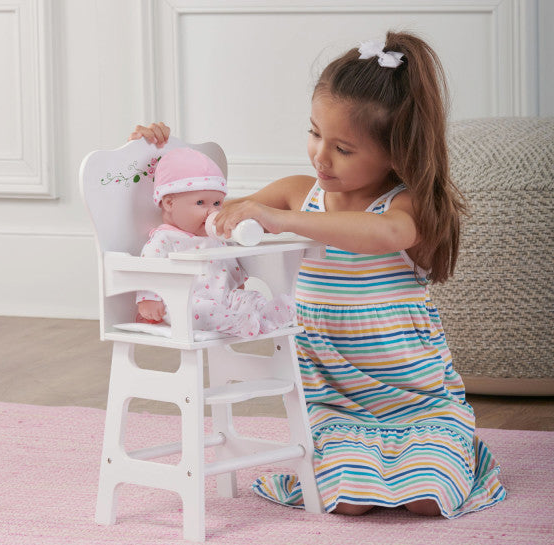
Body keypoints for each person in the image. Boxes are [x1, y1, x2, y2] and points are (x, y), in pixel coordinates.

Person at [130, 31, 506, 517]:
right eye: (314, 133)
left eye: (343, 148)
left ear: (397, 151)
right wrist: (155, 158)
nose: (320, 156)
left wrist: (284, 220)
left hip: (418, 402)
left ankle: (450, 454)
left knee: (428, 500)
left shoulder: (406, 205)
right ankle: (348, 456)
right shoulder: (296, 190)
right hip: (334, 402)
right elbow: (204, 217)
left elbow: (383, 233)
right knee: (348, 503)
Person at [136, 146, 295, 337]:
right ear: (169, 203)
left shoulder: (214, 236)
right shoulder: (165, 238)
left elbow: (227, 261)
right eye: (201, 203)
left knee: (250, 297)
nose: (212, 211)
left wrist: (237, 284)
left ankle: (265, 317)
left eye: (217, 203)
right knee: (197, 311)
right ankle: (238, 324)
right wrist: (149, 298)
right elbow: (147, 268)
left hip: (224, 298)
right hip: (185, 301)